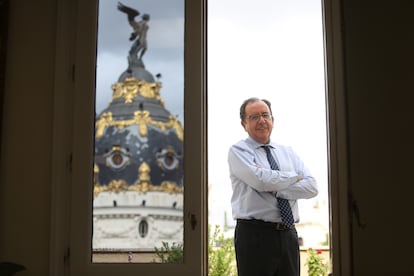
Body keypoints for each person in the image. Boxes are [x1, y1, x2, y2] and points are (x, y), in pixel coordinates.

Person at [228, 97, 318, 276]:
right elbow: (260, 181)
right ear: (243, 124)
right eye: (254, 117)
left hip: (288, 234)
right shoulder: (238, 151)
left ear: (272, 120)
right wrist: (294, 178)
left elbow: (312, 187)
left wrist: (275, 187)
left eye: (265, 115)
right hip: (255, 236)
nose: (261, 120)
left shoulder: (288, 152)